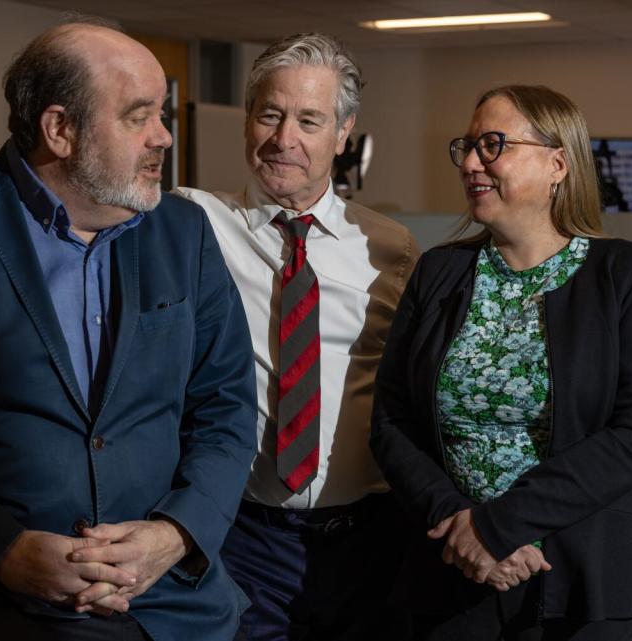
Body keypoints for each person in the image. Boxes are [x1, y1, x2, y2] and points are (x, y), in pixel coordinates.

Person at [0, 19, 257, 641]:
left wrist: (175, 535)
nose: (163, 137)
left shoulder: (184, 233)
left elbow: (226, 408)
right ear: (60, 129)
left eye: (161, 114)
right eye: (139, 116)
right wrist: (0, 549)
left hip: (173, 604)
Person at [370, 85, 632, 641]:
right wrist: (461, 525)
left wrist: (498, 527)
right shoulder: (439, 272)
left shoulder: (629, 274)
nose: (471, 163)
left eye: (493, 145)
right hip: (453, 567)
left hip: (589, 575)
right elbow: (392, 420)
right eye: (466, 147)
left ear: (558, 163)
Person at [177, 32, 418, 641]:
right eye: (270, 115)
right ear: (246, 123)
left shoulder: (390, 248)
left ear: (343, 134)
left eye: (310, 121)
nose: (284, 139)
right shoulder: (192, 223)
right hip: (243, 536)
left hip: (370, 538)